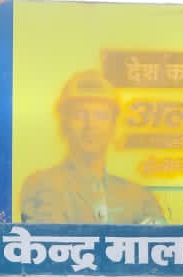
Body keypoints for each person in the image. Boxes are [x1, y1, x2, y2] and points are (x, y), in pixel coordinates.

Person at [19, 69, 167, 225]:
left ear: (113, 125)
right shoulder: (43, 186)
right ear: (64, 123)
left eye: (101, 115)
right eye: (80, 115)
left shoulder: (140, 198)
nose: (91, 125)